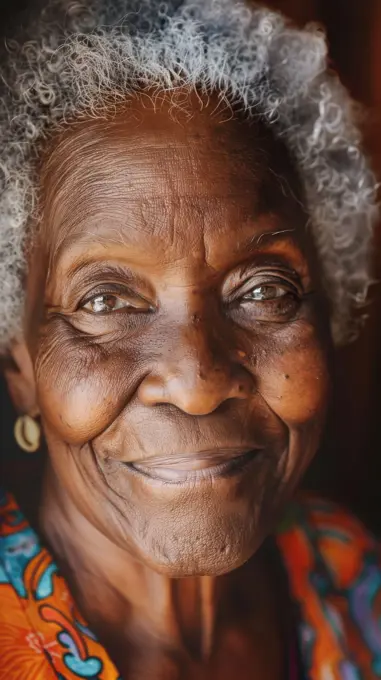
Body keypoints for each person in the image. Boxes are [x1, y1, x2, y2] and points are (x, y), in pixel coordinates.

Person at [0, 0, 380, 678]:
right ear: (18, 362)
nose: (198, 382)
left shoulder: (349, 579)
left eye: (264, 291)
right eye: (106, 300)